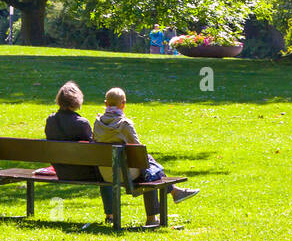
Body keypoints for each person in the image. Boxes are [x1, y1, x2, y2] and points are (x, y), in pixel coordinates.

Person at [91, 87, 198, 228]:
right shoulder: (125, 124)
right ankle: (154, 215)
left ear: (106, 103)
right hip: (126, 173)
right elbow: (138, 151)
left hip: (105, 173)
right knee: (150, 171)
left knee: (148, 166)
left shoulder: (97, 124)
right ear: (123, 104)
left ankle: (174, 192)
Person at [44, 81, 119, 224]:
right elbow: (94, 150)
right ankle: (111, 214)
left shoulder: (50, 120)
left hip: (61, 170)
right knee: (106, 170)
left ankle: (111, 214)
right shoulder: (81, 123)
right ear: (77, 101)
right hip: (84, 172)